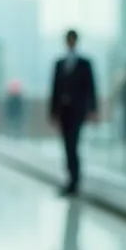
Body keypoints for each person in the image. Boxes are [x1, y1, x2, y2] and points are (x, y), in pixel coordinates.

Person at [49, 29, 98, 196]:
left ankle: (75, 181)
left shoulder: (85, 64)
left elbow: (91, 88)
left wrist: (93, 109)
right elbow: (54, 89)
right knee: (66, 146)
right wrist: (53, 111)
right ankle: (70, 179)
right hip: (63, 112)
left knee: (73, 144)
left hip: (78, 112)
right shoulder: (59, 63)